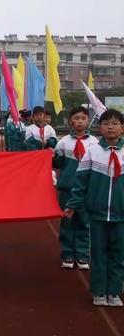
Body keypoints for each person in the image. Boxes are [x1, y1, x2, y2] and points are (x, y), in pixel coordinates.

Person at [64, 109, 124, 307]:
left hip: (121, 216)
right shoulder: (93, 152)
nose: (110, 127)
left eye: (115, 123)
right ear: (100, 128)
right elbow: (81, 183)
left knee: (118, 256)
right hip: (97, 215)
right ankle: (99, 291)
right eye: (106, 123)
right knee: (98, 255)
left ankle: (114, 291)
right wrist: (72, 205)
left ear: (122, 128)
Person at [53, 107, 99, 270]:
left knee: (84, 223)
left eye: (83, 118)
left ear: (88, 121)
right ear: (71, 121)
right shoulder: (63, 142)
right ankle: (68, 254)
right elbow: (57, 164)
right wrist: (52, 156)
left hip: (87, 191)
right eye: (76, 118)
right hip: (67, 190)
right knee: (67, 222)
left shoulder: (95, 143)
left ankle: (82, 255)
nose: (80, 121)